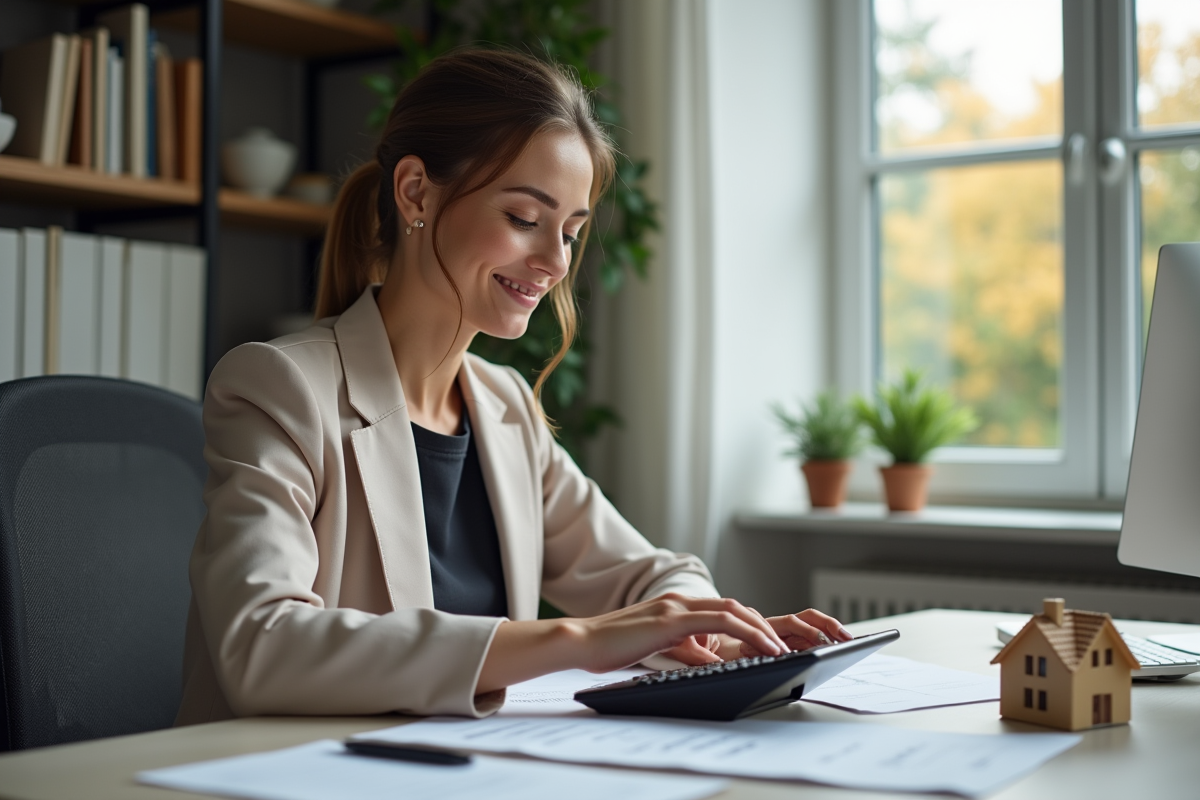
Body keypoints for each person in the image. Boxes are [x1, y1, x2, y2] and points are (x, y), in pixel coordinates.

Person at [175, 48, 850, 725]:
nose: (555, 262)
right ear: (416, 192)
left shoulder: (503, 407)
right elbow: (262, 646)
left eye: (571, 232)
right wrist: (577, 640)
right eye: (525, 219)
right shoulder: (279, 388)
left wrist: (710, 629)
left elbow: (648, 576)